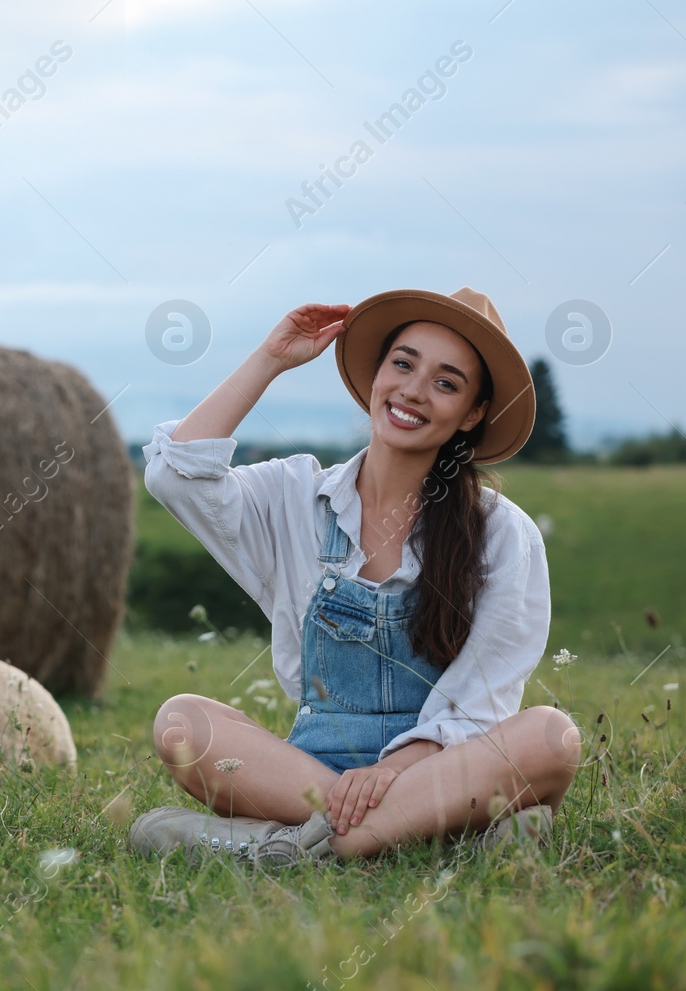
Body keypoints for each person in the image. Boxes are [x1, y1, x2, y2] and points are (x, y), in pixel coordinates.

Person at [130, 287, 583, 869]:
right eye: (403, 364)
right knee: (182, 721)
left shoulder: (502, 533)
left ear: (472, 414)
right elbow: (176, 475)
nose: (414, 390)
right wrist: (271, 357)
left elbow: (481, 704)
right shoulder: (296, 496)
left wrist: (390, 773)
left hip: (441, 770)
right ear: (376, 374)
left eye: (446, 383)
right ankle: (440, 835)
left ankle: (293, 846)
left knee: (551, 735)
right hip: (311, 780)